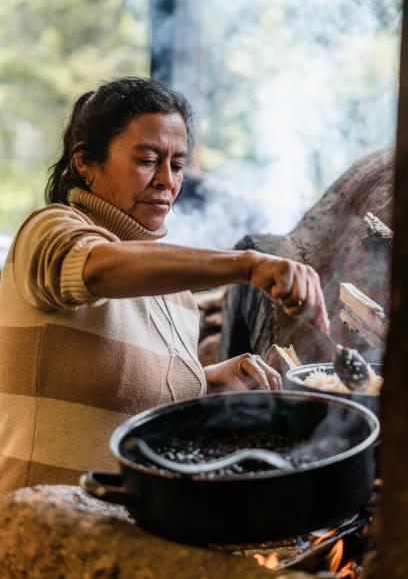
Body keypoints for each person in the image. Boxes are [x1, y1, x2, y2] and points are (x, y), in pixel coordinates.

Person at [0, 77, 329, 495]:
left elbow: (126, 398)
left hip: (129, 537)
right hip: (36, 534)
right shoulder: (49, 231)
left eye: (176, 165)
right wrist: (247, 265)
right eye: (147, 160)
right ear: (86, 162)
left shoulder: (174, 293)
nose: (165, 181)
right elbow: (96, 267)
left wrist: (207, 382)